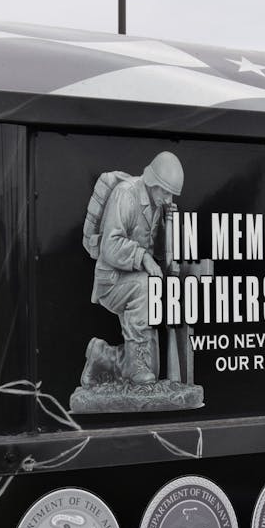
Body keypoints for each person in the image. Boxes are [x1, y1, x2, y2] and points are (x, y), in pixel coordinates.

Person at [90, 151, 184, 383]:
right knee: (144, 285)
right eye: (165, 191)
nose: (168, 198)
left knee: (152, 367)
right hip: (112, 280)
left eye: (171, 193)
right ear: (152, 183)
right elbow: (109, 246)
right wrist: (143, 257)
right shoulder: (127, 194)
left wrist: (170, 229)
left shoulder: (157, 204)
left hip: (135, 283)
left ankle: (101, 356)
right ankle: (134, 365)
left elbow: (159, 250)